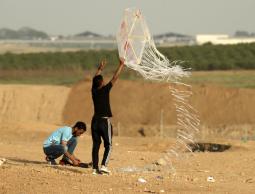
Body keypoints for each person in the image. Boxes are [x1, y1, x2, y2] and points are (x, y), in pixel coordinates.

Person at [91, 58, 125, 174]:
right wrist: (121, 65)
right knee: (109, 145)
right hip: (104, 122)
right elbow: (115, 78)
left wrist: (100, 69)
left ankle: (95, 169)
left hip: (94, 121)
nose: (104, 82)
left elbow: (94, 80)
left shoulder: (94, 91)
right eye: (103, 81)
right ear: (101, 83)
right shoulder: (105, 90)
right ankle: (104, 166)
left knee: (96, 145)